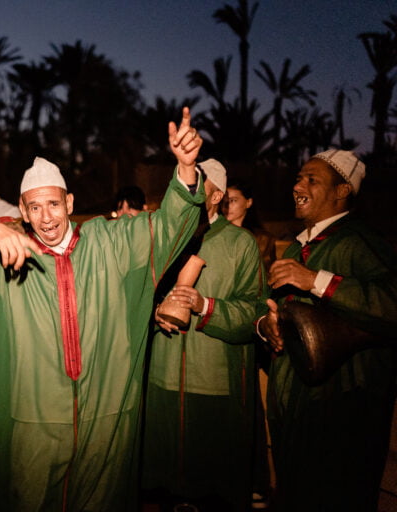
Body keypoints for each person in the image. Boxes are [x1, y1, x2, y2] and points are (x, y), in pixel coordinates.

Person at [0, 108, 205, 511]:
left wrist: (184, 170)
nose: (47, 217)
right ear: (22, 212)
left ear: (69, 202)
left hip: (107, 422)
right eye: (35, 208)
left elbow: (170, 227)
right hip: (29, 430)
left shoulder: (112, 243)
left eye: (54, 205)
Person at [257, 149, 397, 511]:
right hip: (298, 411)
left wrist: (315, 280)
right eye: (299, 178)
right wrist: (268, 325)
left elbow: (391, 303)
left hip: (341, 416)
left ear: (342, 191)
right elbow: (276, 312)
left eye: (312, 180)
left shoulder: (358, 242)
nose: (297, 185)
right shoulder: (302, 246)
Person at [142, 159, 267, 511]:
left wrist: (205, 306)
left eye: (202, 187)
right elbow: (135, 298)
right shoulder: (161, 238)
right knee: (160, 488)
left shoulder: (240, 243)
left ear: (217, 197)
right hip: (161, 379)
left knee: (211, 491)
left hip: (213, 383)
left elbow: (256, 312)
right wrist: (152, 314)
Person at [222, 179, 277, 268]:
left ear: (248, 202)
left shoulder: (263, 239)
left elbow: (265, 272)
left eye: (233, 200)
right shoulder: (217, 233)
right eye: (224, 201)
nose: (227, 205)